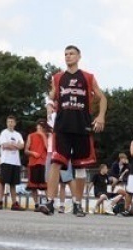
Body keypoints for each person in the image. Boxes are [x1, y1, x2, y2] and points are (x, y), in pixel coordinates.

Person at [37, 45, 107, 217]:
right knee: (55, 163)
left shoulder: (88, 77)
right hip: (62, 127)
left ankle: (77, 204)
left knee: (80, 168)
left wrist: (101, 116)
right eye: (66, 54)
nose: (68, 56)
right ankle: (50, 202)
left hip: (82, 126)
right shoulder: (58, 77)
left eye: (72, 54)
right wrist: (49, 105)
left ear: (79, 56)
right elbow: (51, 96)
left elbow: (102, 98)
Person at [0, 115, 25, 211]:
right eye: (8, 122)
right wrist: (15, 145)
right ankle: (0, 202)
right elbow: (4, 145)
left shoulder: (18, 134)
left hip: (15, 162)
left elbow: (22, 145)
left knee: (13, 184)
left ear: (15, 123)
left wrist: (13, 145)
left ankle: (14, 204)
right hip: (6, 161)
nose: (10, 123)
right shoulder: (4, 133)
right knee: (2, 182)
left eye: (12, 122)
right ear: (6, 123)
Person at [25, 119, 49, 206]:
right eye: (39, 126)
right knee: (33, 186)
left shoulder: (47, 136)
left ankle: (49, 203)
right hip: (33, 163)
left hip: (43, 163)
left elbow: (48, 148)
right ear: (36, 126)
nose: (40, 128)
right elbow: (26, 150)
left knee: (45, 185)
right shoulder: (31, 135)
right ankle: (36, 204)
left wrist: (43, 136)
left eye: (42, 127)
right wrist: (32, 153)